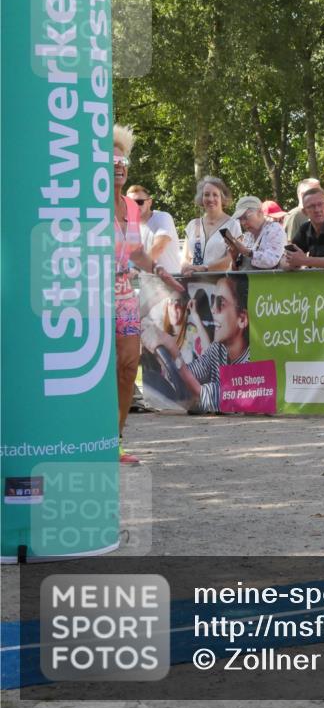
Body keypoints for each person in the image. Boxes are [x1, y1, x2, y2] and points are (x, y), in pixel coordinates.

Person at [112, 124, 184, 463]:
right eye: (111, 160)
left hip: (125, 295)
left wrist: (160, 271)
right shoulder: (86, 202)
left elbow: (137, 252)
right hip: (91, 297)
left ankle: (116, 441)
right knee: (99, 370)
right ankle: (88, 438)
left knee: (128, 367)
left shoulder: (130, 205)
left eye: (123, 160)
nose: (119, 166)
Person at [154, 275, 250, 413]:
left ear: (242, 319)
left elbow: (209, 395)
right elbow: (192, 373)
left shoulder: (252, 360)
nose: (212, 309)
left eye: (220, 303)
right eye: (212, 301)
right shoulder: (218, 349)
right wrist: (169, 361)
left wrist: (173, 353)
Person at [181, 176, 241, 274]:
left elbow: (231, 259)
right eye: (206, 194)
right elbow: (185, 257)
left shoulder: (232, 225)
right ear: (202, 198)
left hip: (221, 284)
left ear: (222, 198)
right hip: (193, 284)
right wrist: (186, 267)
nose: (210, 199)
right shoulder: (193, 225)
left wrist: (204, 268)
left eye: (215, 195)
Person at [127, 184, 182, 274]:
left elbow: (159, 247)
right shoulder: (130, 228)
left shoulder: (162, 217)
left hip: (169, 284)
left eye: (139, 202)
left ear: (149, 202)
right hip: (146, 285)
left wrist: (136, 269)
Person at [226, 196, 287, 271]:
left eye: (245, 217)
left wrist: (246, 252)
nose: (243, 223)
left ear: (260, 212)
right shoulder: (248, 236)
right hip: (248, 281)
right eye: (240, 219)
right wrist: (234, 256)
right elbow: (237, 270)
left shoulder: (275, 229)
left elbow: (272, 260)